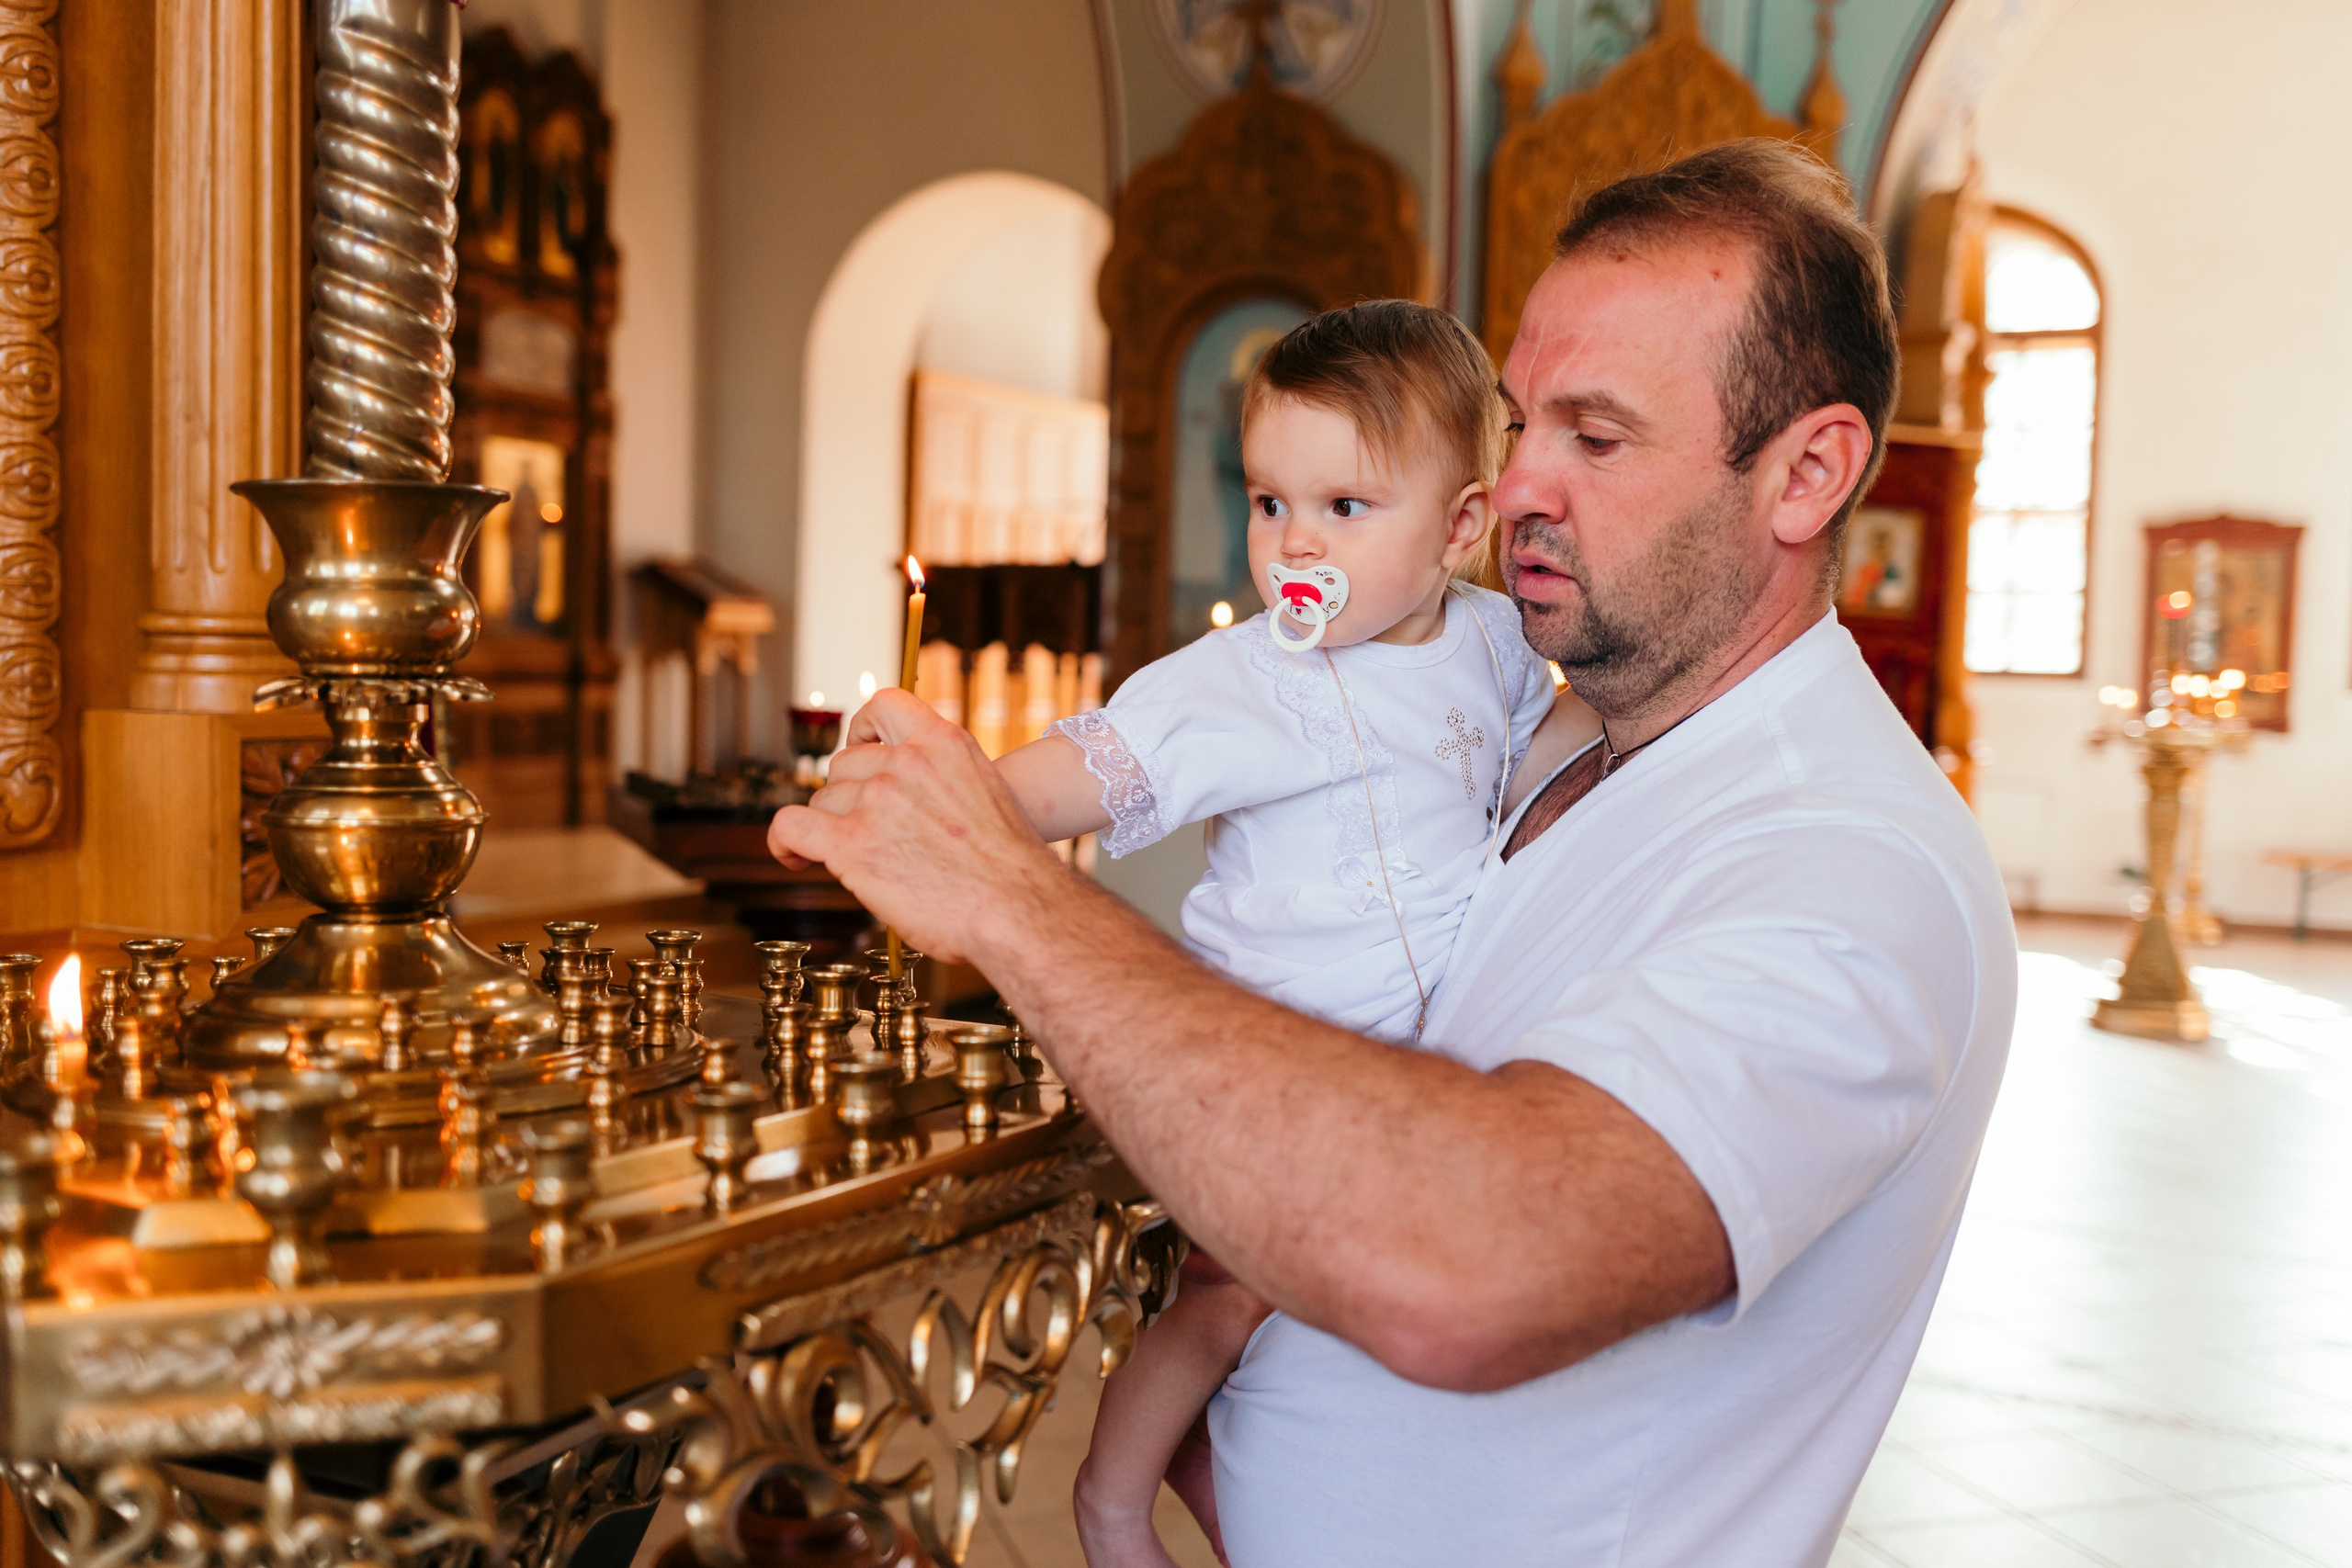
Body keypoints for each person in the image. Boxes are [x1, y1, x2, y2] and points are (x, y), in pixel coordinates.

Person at [772, 139, 2017, 1567]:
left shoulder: (1849, 863)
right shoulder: (1552, 728)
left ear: (1806, 474)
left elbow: (1469, 1274)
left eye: (1595, 439)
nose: (1523, 485)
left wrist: (1010, 900)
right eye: (1520, 423)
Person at [985, 300, 1589, 1563]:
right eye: (1269, 504)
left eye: (1343, 510)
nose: (1291, 545)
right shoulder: (1241, 681)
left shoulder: (1492, 643)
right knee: (1228, 1296)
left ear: (1462, 525)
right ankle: (1109, 1495)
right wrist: (954, 799)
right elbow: (1072, 779)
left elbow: (1548, 751)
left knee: (1386, 1318)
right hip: (1268, 1067)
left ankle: (1272, 1497)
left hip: (1426, 1079)